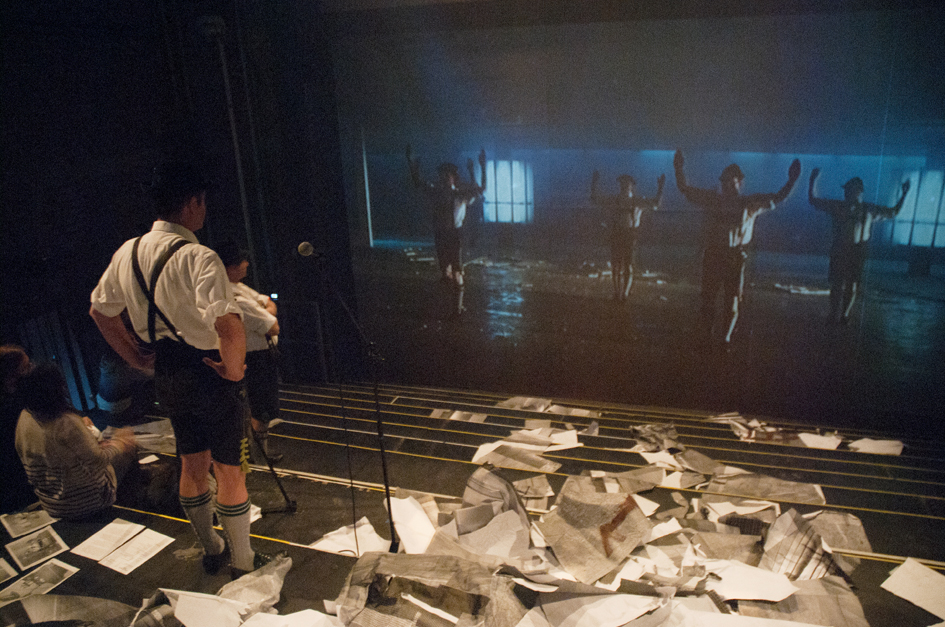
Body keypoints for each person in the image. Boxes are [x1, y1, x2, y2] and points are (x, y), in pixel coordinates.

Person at [89, 162, 272, 578]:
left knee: (191, 464)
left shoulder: (127, 251)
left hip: (167, 371)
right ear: (192, 203)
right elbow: (229, 325)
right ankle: (243, 562)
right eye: (202, 202)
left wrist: (135, 357)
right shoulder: (198, 256)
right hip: (208, 370)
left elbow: (100, 312)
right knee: (229, 471)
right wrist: (234, 371)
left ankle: (212, 548)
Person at [674, 150, 801, 348]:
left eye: (730, 182)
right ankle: (708, 335)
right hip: (714, 253)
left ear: (740, 183)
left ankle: (725, 338)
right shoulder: (713, 200)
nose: (726, 186)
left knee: (732, 299)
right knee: (708, 298)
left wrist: (792, 181)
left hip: (734, 256)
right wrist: (678, 168)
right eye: (723, 182)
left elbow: (778, 198)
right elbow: (685, 189)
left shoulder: (748, 204)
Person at [14, 362, 137, 519]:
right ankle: (132, 509)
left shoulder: (25, 417)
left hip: (52, 504)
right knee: (128, 450)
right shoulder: (66, 421)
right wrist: (120, 442)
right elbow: (99, 460)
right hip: (87, 503)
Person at [809, 170, 911, 324]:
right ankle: (837, 314)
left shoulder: (865, 210)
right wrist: (812, 181)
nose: (846, 193)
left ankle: (842, 315)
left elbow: (893, 212)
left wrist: (904, 195)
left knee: (849, 284)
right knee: (839, 284)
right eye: (846, 191)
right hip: (842, 251)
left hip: (854, 252)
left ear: (858, 192)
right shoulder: (843, 207)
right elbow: (813, 201)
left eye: (849, 190)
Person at [215, 241, 283, 464]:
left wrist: (265, 308)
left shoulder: (239, 287)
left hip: (258, 355)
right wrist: (266, 311)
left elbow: (267, 300)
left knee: (261, 408)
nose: (246, 264)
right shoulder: (234, 296)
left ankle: (258, 453)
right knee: (260, 408)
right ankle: (255, 455)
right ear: (229, 266)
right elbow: (273, 326)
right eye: (241, 262)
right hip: (254, 358)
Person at [407, 145, 487, 316]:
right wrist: (412, 164)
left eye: (447, 175)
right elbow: (418, 183)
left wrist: (482, 166)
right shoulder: (435, 192)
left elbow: (481, 189)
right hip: (441, 235)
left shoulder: (460, 195)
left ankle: (457, 307)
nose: (443, 178)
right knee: (445, 273)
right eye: (441, 175)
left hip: (455, 236)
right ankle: (453, 302)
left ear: (453, 178)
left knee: (456, 271)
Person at [591, 170, 665, 300]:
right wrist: (594, 183)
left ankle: (624, 292)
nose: (624, 185)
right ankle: (617, 291)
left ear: (631, 186)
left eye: (626, 183)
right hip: (618, 233)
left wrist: (660, 188)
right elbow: (596, 199)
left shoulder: (637, 201)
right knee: (616, 265)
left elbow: (655, 204)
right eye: (622, 183)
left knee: (627, 265)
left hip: (629, 235)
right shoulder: (615, 200)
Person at [1, 345, 36, 513]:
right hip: (21, 489)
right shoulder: (14, 408)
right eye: (26, 367)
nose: (32, 370)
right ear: (10, 377)